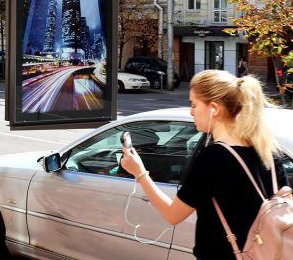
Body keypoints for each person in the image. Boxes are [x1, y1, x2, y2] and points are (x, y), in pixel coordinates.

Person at [121, 70, 288, 260]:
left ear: (214, 108)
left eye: (194, 104)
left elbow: (173, 215)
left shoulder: (214, 157)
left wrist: (140, 173)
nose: (191, 111)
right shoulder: (269, 152)